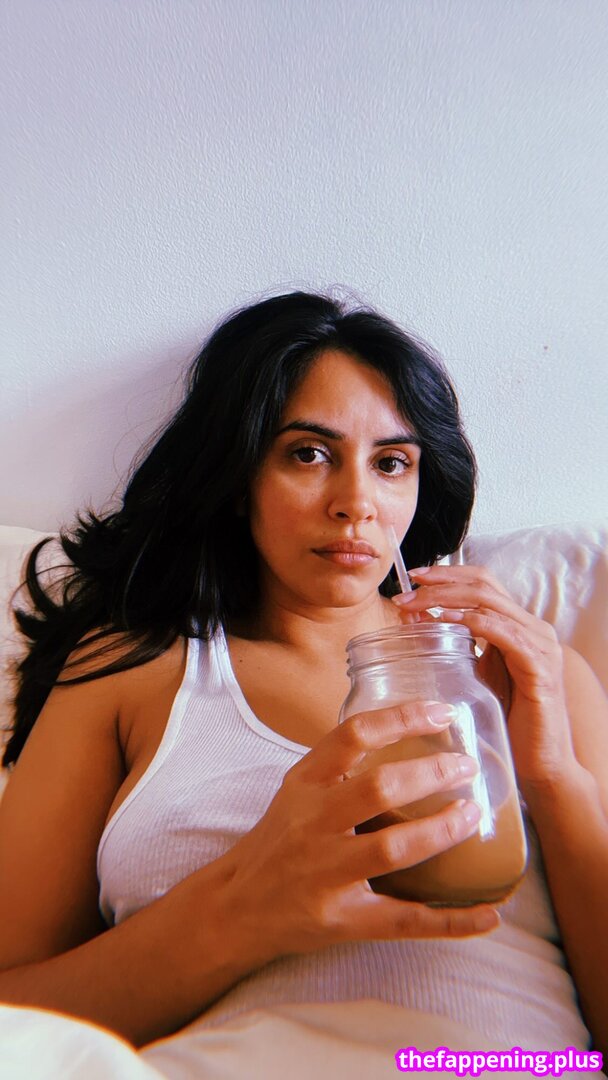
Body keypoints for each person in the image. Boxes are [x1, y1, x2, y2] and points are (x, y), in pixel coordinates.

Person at [0, 291, 606, 1057]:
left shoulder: (528, 675)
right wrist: (243, 910)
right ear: (237, 474)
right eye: (308, 454)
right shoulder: (127, 672)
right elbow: (11, 1014)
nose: (356, 503)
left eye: (391, 463)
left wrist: (557, 782)